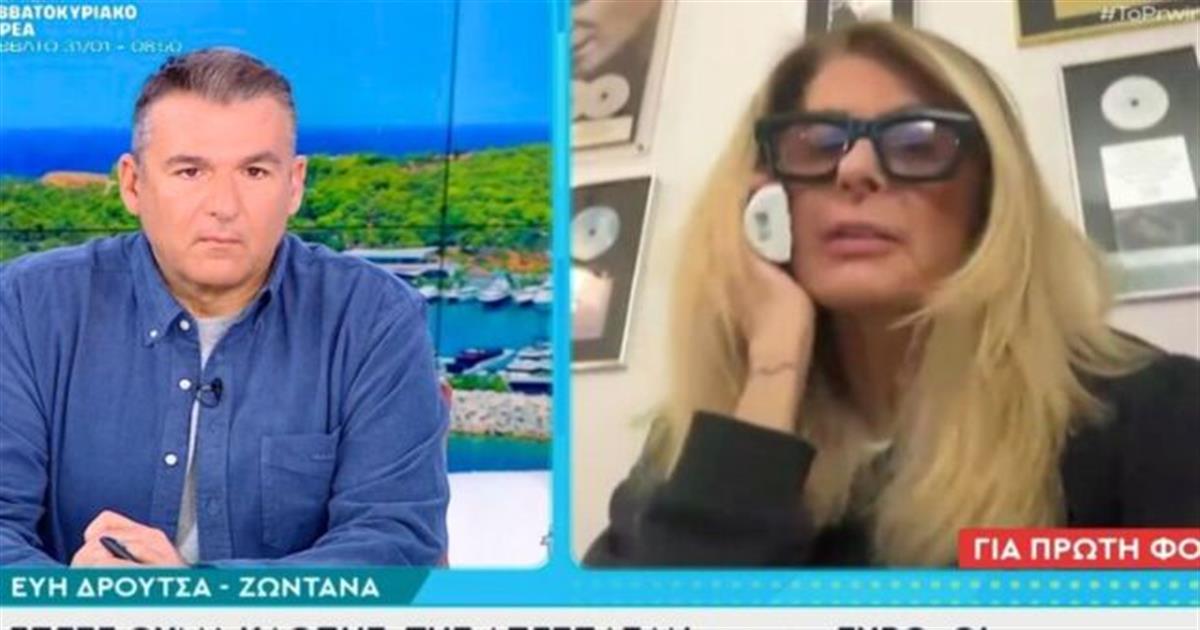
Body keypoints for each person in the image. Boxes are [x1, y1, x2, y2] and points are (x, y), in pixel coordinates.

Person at [584, 22, 1200, 567]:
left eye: (917, 143)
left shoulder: (1153, 415)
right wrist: (773, 366)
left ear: (991, 197)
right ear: (762, 194)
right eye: (818, 143)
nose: (855, 170)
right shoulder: (690, 451)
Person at [0, 48, 449, 567]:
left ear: (294, 185)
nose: (224, 206)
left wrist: (195, 596)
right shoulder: (27, 307)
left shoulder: (375, 319)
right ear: (133, 184)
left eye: (254, 172)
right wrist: (75, 599)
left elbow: (395, 542)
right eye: (190, 171)